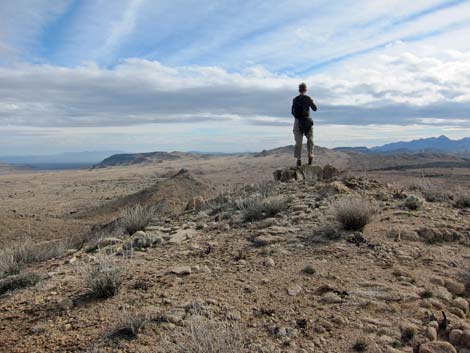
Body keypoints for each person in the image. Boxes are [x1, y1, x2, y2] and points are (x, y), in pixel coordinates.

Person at [291, 82, 317, 166]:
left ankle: (298, 159)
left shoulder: (295, 99)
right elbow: (315, 109)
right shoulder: (308, 98)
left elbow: (292, 112)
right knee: (310, 139)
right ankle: (310, 156)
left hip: (297, 121)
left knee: (298, 141)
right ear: (306, 90)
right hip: (306, 120)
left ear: (299, 90)